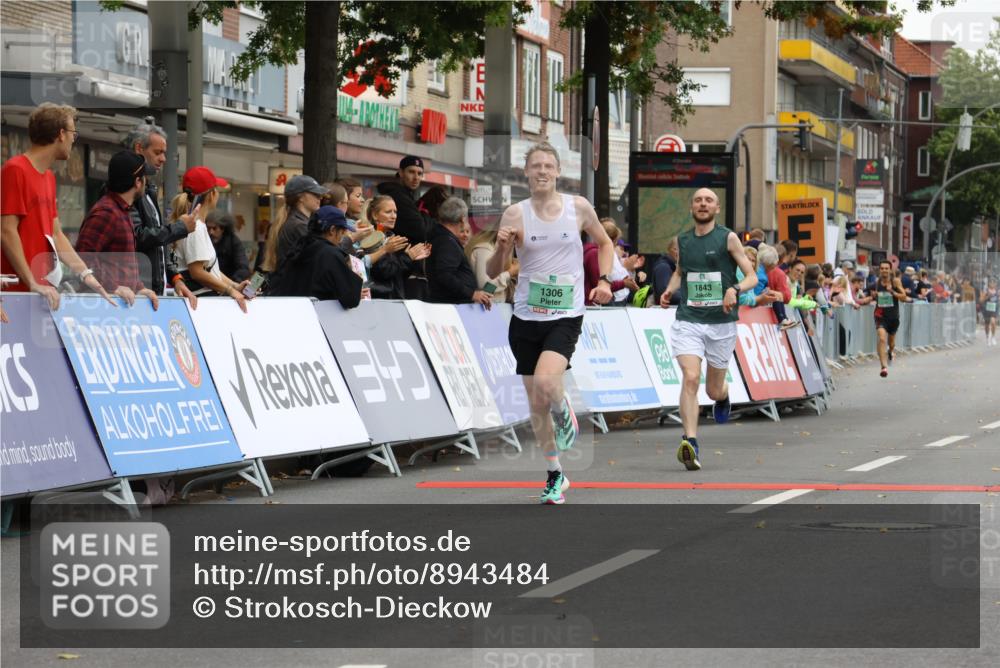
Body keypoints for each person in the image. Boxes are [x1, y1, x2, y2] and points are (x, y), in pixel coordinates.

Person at [486, 142, 614, 504]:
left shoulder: (577, 208)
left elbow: (605, 244)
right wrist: (501, 248)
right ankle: (555, 474)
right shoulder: (515, 214)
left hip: (566, 313)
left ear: (558, 172)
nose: (542, 171)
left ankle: (564, 411)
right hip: (526, 314)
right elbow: (493, 272)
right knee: (535, 403)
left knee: (547, 381)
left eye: (548, 166)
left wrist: (604, 281)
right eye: (535, 165)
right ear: (525, 172)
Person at [658, 187, 757, 472]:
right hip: (688, 319)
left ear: (716, 208)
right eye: (698, 200)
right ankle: (690, 441)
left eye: (708, 200)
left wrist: (734, 289)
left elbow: (750, 277)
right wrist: (669, 290)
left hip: (721, 323)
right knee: (690, 377)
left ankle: (723, 396)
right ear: (692, 208)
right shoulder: (684, 240)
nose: (703, 204)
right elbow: (680, 271)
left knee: (713, 390)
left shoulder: (728, 238)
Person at [1, 103, 115, 309]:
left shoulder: (49, 177)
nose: (74, 138)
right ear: (61, 134)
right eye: (73, 133)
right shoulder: (15, 169)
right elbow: (7, 231)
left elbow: (56, 234)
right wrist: (32, 282)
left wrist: (86, 274)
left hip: (43, 294)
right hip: (16, 295)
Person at [123, 117, 198, 307]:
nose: (163, 159)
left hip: (152, 292)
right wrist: (178, 228)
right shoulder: (125, 190)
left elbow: (158, 244)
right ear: (139, 149)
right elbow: (137, 236)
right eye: (158, 152)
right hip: (135, 294)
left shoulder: (149, 190)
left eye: (164, 153)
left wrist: (175, 277)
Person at [74, 151, 161, 308]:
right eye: (144, 178)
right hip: (101, 308)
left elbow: (123, 264)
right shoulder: (107, 212)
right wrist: (112, 286)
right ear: (137, 182)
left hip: (115, 308)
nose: (146, 182)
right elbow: (83, 256)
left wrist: (139, 288)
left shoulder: (121, 210)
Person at [172, 166, 250, 312]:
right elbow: (197, 272)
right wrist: (230, 291)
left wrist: (234, 285)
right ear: (211, 195)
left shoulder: (196, 225)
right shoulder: (195, 227)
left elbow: (209, 268)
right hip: (201, 304)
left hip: (202, 302)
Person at [267, 206, 363, 308]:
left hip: (290, 313)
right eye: (342, 232)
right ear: (332, 230)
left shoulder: (300, 246)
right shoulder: (330, 254)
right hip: (317, 318)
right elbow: (351, 299)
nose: (342, 237)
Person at [377, 156, 433, 299]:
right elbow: (421, 230)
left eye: (420, 173)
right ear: (400, 172)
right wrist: (426, 216)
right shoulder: (398, 195)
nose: (416, 177)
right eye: (411, 172)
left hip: (402, 269)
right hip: (398, 274)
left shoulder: (408, 196)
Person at [426, 197, 492, 307]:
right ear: (462, 219)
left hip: (449, 304)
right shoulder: (446, 241)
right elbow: (445, 275)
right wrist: (471, 294)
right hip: (450, 306)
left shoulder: (442, 237)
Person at [366, 194, 430, 299]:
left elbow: (398, 275)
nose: (393, 216)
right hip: (380, 302)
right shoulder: (370, 238)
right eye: (388, 212)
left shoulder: (391, 237)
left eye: (395, 212)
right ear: (374, 215)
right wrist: (407, 258)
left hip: (394, 299)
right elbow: (384, 272)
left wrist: (412, 260)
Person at [261, 175, 327, 272]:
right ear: (301, 197)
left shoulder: (294, 221)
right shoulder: (299, 226)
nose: (320, 198)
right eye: (315, 194)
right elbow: (321, 257)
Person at [870, 259, 910, 377]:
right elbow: (872, 296)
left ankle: (891, 351)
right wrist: (874, 296)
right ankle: (884, 367)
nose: (884, 271)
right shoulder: (877, 283)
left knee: (891, 343)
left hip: (893, 317)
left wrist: (892, 291)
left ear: (890, 270)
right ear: (879, 270)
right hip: (880, 315)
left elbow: (903, 297)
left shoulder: (895, 281)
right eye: (882, 268)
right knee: (882, 339)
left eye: (886, 268)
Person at [466, 227, 517, 303]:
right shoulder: (484, 249)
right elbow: (486, 288)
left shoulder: (500, 251)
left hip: (497, 307)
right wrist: (509, 273)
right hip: (485, 309)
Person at [205, 211, 250, 282]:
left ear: (222, 228)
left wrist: (234, 283)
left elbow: (243, 267)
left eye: (214, 228)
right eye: (208, 228)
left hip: (229, 282)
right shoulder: (205, 240)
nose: (211, 232)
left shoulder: (234, 241)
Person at [981, 278, 999, 346]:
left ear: (995, 284)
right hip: (987, 308)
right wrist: (987, 296)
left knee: (993, 322)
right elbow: (981, 300)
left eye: (994, 282)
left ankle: (993, 337)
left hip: (994, 309)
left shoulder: (997, 291)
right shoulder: (985, 290)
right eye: (991, 282)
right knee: (987, 325)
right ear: (988, 284)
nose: (992, 284)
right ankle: (987, 337)